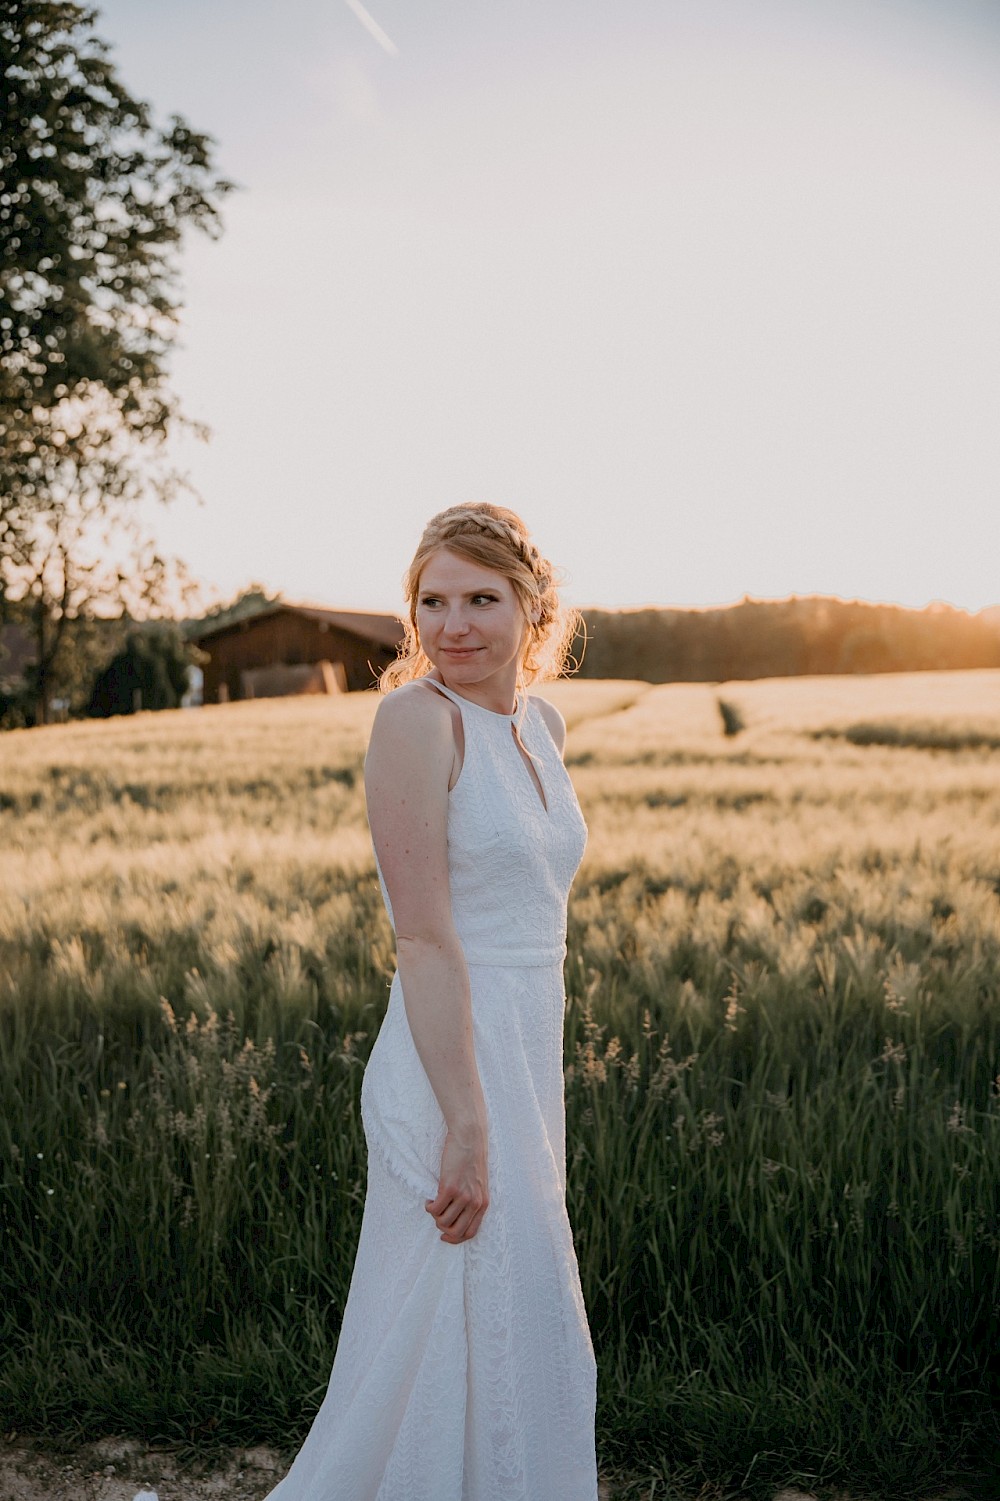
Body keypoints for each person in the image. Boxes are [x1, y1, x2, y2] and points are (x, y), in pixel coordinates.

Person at [264, 503, 598, 1501]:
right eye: (432, 600)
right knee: (446, 1316)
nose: (453, 623)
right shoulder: (415, 721)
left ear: (533, 609)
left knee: (516, 1310)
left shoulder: (543, 722)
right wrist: (463, 1118)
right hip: (448, 1063)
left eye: (480, 599)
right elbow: (422, 935)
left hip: (524, 1055)